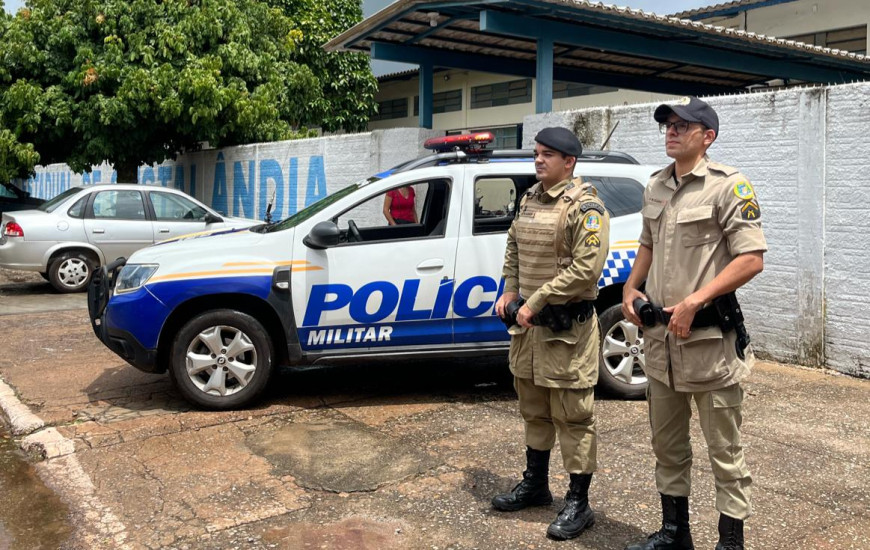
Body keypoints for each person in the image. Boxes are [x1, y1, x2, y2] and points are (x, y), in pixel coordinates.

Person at [621, 97, 766, 550]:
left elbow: (751, 259)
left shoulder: (729, 186)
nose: (671, 130)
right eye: (667, 123)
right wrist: (630, 288)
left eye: (683, 125)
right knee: (667, 445)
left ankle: (730, 542)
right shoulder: (655, 186)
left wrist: (695, 300)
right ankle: (673, 533)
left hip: (707, 342)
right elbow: (646, 243)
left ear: (708, 136)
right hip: (661, 342)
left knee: (724, 451)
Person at [492, 127, 610, 541]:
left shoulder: (587, 208)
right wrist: (508, 289)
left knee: (574, 417)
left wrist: (535, 299)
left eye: (548, 155)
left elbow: (586, 271)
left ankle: (578, 503)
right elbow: (513, 247)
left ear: (569, 162)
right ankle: (536, 484)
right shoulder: (529, 200)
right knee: (534, 410)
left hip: (566, 332)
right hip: (528, 332)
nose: (539, 160)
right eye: (537, 153)